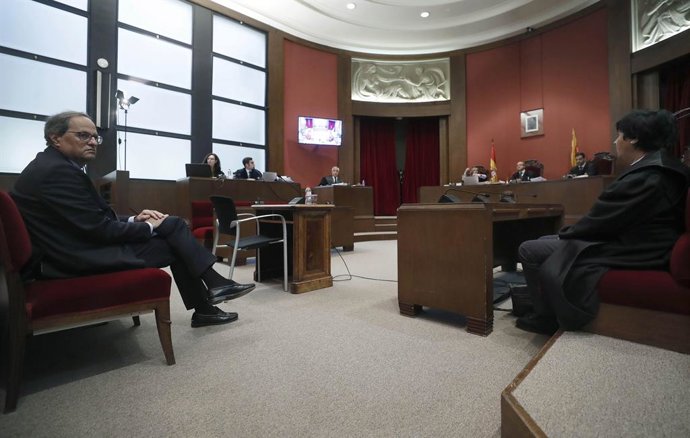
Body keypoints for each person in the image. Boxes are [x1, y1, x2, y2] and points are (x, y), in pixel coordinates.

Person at [10, 111, 256, 328]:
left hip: (73, 246)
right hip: (75, 258)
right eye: (84, 136)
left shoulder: (51, 166)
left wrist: (133, 219)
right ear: (55, 137)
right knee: (175, 232)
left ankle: (211, 295)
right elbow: (98, 229)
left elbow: (89, 219)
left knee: (173, 227)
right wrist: (147, 226)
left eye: (96, 137)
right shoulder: (57, 172)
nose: (94, 142)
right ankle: (210, 296)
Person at [515, 109, 690, 335]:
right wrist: (567, 233)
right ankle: (545, 303)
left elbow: (601, 222)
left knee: (528, 249)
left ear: (633, 138)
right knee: (545, 240)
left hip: (636, 248)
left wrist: (567, 233)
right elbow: (608, 218)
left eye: (619, 135)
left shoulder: (649, 176)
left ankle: (545, 318)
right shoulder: (661, 167)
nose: (615, 141)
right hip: (640, 239)